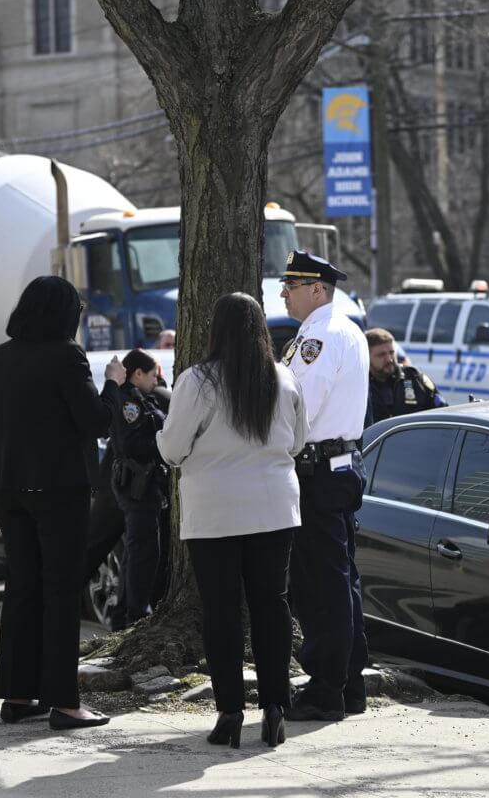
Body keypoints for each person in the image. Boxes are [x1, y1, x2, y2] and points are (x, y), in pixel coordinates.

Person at [157, 292, 306, 749]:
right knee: (271, 605)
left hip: (215, 511)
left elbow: (173, 449)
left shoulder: (197, 382)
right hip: (274, 506)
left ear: (214, 331)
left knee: (221, 611)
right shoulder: (282, 378)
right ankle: (276, 707)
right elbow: (299, 442)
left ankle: (229, 712)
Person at [0, 275, 125, 730]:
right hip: (59, 490)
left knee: (21, 590)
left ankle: (18, 695)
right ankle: (64, 702)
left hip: (9, 489)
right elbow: (95, 421)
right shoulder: (67, 356)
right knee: (61, 594)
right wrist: (114, 384)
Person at [278, 250, 370, 722]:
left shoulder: (317, 336)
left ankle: (325, 689)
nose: (283, 294)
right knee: (341, 581)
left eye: (290, 286)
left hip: (316, 470)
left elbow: (297, 407)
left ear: (317, 289)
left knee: (320, 586)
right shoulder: (347, 328)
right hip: (338, 466)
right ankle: (348, 684)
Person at [102, 348, 168, 625]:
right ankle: (137, 613)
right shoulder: (128, 402)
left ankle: (126, 612)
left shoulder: (140, 398)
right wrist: (163, 443)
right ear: (138, 373)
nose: (157, 380)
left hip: (142, 483)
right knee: (143, 551)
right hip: (137, 483)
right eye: (153, 375)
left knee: (135, 550)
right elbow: (132, 444)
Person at [365, 327, 446, 427]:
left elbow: (443, 413)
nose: (389, 359)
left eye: (391, 353)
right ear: (366, 356)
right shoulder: (359, 386)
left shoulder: (415, 379)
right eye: (381, 355)